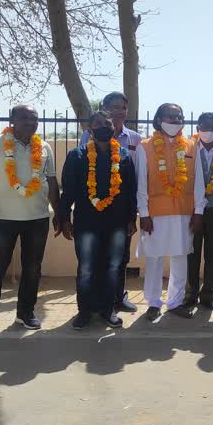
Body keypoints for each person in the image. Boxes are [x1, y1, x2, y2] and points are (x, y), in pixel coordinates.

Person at [0, 105, 60, 335]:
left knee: (32, 269)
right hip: (3, 219)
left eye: (34, 119)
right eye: (25, 118)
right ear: (12, 120)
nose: (30, 123)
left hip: (38, 218)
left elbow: (51, 182)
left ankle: (26, 313)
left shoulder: (45, 147)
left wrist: (60, 213)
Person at [60, 111, 138, 329]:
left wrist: (132, 218)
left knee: (112, 267)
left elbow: (131, 190)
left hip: (117, 223)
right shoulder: (76, 156)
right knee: (87, 267)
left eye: (107, 123)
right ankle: (84, 311)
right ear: (89, 130)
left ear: (113, 127)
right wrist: (64, 219)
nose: (104, 126)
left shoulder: (123, 155)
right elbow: (68, 191)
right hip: (87, 223)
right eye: (99, 124)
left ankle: (107, 310)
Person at [136, 103, 206, 321]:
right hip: (155, 214)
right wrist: (144, 213)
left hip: (185, 212)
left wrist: (199, 211)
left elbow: (199, 182)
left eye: (179, 117)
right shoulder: (145, 146)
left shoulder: (192, 146)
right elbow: (141, 183)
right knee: (155, 258)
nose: (176, 120)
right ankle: (154, 303)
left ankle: (175, 302)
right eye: (171, 116)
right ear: (158, 120)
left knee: (180, 256)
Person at [78, 92, 142, 313]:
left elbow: (137, 177)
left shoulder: (134, 138)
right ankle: (94, 303)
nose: (119, 111)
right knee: (94, 259)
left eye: (123, 107)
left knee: (120, 258)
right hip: (94, 209)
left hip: (122, 209)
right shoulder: (89, 137)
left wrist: (133, 213)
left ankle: (118, 298)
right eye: (114, 107)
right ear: (105, 107)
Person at [183, 113, 213, 312]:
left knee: (212, 253)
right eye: (205, 126)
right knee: (191, 252)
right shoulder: (188, 149)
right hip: (192, 209)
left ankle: (208, 295)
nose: (209, 131)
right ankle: (190, 293)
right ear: (197, 128)